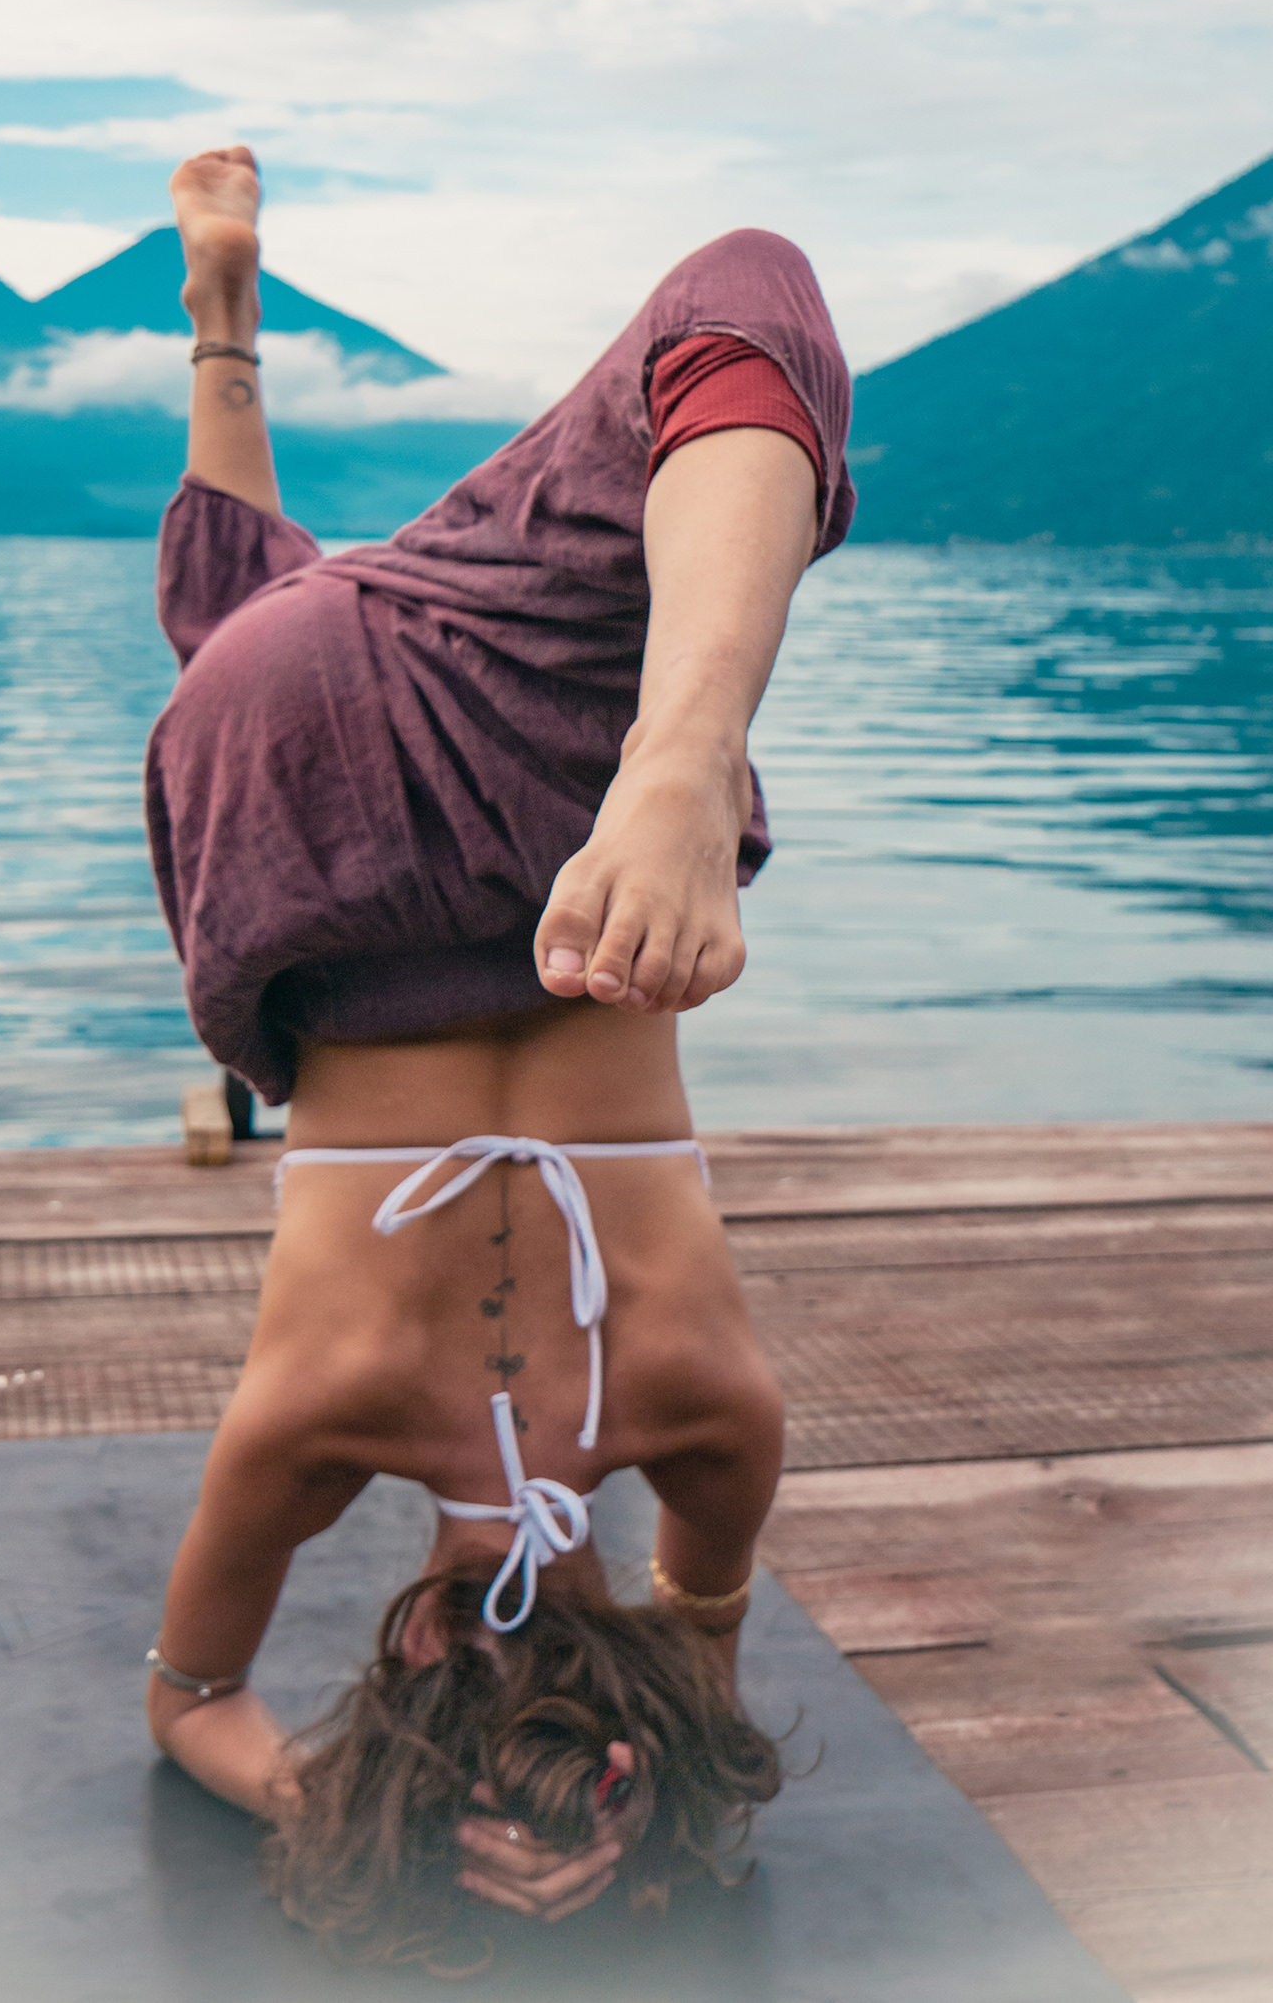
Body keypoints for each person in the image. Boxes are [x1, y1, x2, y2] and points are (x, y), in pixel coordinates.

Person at [142, 148, 855, 1968]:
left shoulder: (708, 1413)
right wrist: (359, 1802)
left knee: (743, 294)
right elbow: (193, 1701)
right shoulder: (312, 1431)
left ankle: (679, 753)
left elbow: (702, 1633)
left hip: (567, 846)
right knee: (244, 645)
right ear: (397, 1656)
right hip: (286, 779)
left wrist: (649, 1781)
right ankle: (222, 333)